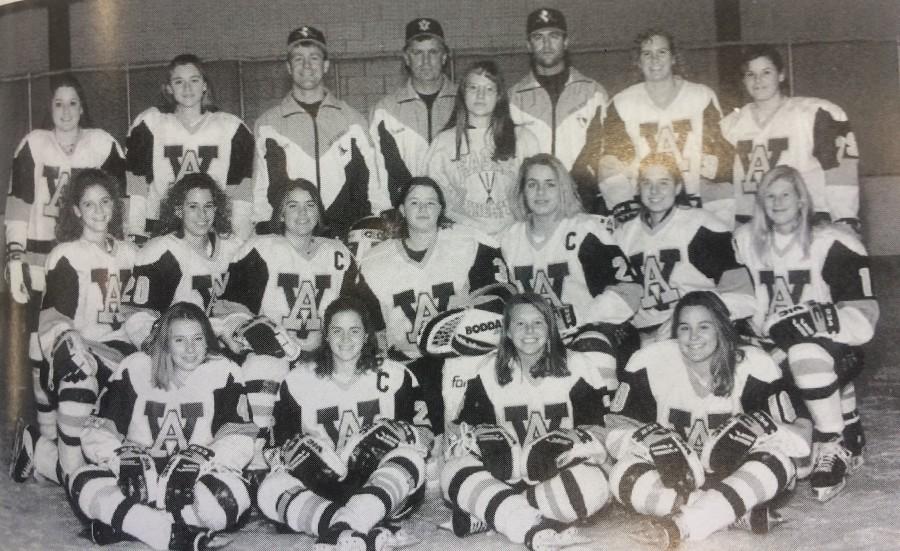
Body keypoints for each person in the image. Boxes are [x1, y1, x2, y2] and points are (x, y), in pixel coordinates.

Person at [606, 291, 811, 545]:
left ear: (722, 329)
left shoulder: (754, 365)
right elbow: (615, 432)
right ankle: (728, 512)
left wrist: (762, 428)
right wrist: (651, 441)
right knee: (622, 475)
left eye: (704, 327)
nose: (693, 337)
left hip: (736, 475)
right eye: (684, 328)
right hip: (678, 479)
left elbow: (801, 444)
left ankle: (682, 525)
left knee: (778, 463)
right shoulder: (649, 362)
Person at [5, 74, 125, 483]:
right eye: (59, 104)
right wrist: (14, 254)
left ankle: (50, 448)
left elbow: (121, 196)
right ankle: (45, 438)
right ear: (49, 108)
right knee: (43, 348)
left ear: (83, 107)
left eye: (74, 103)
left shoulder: (103, 143)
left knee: (78, 343)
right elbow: (19, 202)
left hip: (86, 252)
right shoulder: (34, 144)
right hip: (42, 255)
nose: (67, 111)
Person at [733, 165, 877, 502]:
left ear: (802, 200)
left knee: (805, 353)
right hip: (769, 345)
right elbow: (738, 298)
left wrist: (798, 329)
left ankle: (832, 441)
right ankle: (843, 420)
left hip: (831, 348)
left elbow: (864, 313)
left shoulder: (831, 241)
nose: (778, 201)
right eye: (770, 195)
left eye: (786, 194)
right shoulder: (745, 241)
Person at [68, 302, 256, 551]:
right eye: (179, 340)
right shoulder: (136, 367)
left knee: (227, 498)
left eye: (197, 339)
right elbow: (98, 428)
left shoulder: (224, 372)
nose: (190, 349)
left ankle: (132, 522)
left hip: (192, 482)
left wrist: (204, 459)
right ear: (165, 341)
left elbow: (240, 438)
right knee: (82, 481)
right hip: (139, 480)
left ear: (208, 340)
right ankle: (169, 533)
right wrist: (120, 458)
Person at [440, 293, 615, 551]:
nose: (529, 331)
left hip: (558, 473)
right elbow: (470, 435)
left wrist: (569, 444)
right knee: (451, 472)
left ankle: (495, 512)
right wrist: (483, 444)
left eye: (538, 323)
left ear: (550, 328)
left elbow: (598, 432)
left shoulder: (579, 365)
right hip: (507, 477)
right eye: (520, 324)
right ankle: (524, 516)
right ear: (508, 331)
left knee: (592, 485)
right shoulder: (487, 372)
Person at [257, 295, 431, 549]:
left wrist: (405, 433)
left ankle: (339, 528)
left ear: (366, 335)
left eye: (354, 330)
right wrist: (290, 454)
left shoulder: (396, 375)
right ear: (325, 335)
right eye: (337, 330)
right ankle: (357, 528)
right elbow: (274, 450)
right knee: (269, 488)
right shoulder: (297, 380)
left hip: (381, 484)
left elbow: (426, 436)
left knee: (411, 458)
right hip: (322, 487)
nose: (346, 339)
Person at [13, 169, 139, 484]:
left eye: (105, 202)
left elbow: (137, 311)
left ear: (115, 205)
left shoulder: (131, 253)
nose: (99, 211)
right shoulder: (67, 254)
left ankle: (42, 454)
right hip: (79, 351)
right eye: (89, 204)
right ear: (76, 211)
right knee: (77, 367)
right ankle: (71, 473)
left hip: (119, 351)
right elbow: (54, 321)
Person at [359, 176, 506, 438]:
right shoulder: (375, 259)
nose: (423, 209)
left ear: (441, 209)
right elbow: (370, 323)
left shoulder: (468, 243)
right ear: (402, 210)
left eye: (431, 202)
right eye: (415, 202)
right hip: (407, 361)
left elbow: (496, 300)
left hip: (460, 357)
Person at [217, 179, 363, 439]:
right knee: (260, 366)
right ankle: (260, 445)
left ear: (319, 212)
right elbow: (230, 307)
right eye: (293, 206)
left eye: (310, 205)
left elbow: (360, 309)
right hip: (273, 353)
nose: (303, 213)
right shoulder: (260, 248)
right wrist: (248, 331)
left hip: (327, 352)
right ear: (281, 214)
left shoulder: (338, 253)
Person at [572, 29, 733, 225]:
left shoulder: (701, 97)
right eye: (647, 54)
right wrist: (629, 216)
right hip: (645, 210)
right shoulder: (622, 103)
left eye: (661, 52)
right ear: (638, 62)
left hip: (696, 207)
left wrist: (719, 214)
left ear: (674, 58)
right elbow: (610, 165)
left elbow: (721, 159)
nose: (654, 60)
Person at [255, 26, 383, 238]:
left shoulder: (352, 120)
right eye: (298, 59)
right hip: (292, 238)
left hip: (344, 235)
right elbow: (261, 189)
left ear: (325, 66)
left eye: (314, 58)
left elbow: (373, 186)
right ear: (288, 67)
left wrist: (375, 221)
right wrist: (264, 231)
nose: (306, 66)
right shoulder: (268, 124)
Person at [616, 153, 755, 345]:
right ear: (638, 189)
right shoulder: (623, 234)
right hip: (645, 336)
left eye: (663, 183)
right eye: (647, 183)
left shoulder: (705, 226)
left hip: (696, 332)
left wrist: (686, 319)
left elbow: (744, 298)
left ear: (678, 187)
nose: (654, 191)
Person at [721, 45, 860, 229]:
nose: (758, 80)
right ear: (743, 80)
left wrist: (845, 218)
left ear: (781, 75)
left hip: (808, 221)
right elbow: (721, 184)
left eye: (766, 72)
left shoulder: (813, 114)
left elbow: (840, 171)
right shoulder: (729, 125)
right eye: (750, 74)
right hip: (753, 224)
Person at [502, 153, 640, 334]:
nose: (540, 192)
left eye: (550, 184)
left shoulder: (586, 230)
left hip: (584, 333)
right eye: (532, 184)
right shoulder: (509, 239)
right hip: (533, 340)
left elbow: (629, 291)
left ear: (563, 189)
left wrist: (581, 319)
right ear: (522, 191)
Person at [125, 53, 257, 241]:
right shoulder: (149, 124)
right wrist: (136, 231)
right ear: (169, 88)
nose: (187, 88)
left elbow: (241, 191)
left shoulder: (231, 127)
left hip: (213, 228)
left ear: (205, 85)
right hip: (162, 228)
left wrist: (239, 238)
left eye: (194, 80)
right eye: (179, 82)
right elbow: (137, 186)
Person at [124, 172, 243, 348]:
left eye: (208, 206)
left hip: (226, 346)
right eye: (193, 207)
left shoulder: (233, 247)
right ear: (179, 210)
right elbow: (136, 315)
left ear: (216, 209)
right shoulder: (160, 251)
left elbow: (242, 309)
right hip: (178, 347)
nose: (202, 215)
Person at [426, 60, 540, 236]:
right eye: (473, 88)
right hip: (464, 240)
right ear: (462, 93)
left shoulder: (523, 139)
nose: (480, 96)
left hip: (516, 238)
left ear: (499, 95)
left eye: (489, 89)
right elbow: (431, 199)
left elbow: (538, 192)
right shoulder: (444, 143)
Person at [370, 18, 456, 208]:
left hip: (459, 217)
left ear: (444, 57)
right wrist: (386, 214)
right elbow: (378, 174)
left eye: (433, 52)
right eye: (418, 53)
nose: (426, 61)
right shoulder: (386, 110)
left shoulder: (465, 102)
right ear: (407, 58)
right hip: (406, 217)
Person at [508, 8, 608, 170]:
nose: (546, 45)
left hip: (582, 194)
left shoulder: (593, 93)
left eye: (554, 36)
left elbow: (605, 152)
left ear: (566, 42)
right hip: (535, 193)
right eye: (538, 37)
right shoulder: (514, 98)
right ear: (529, 45)